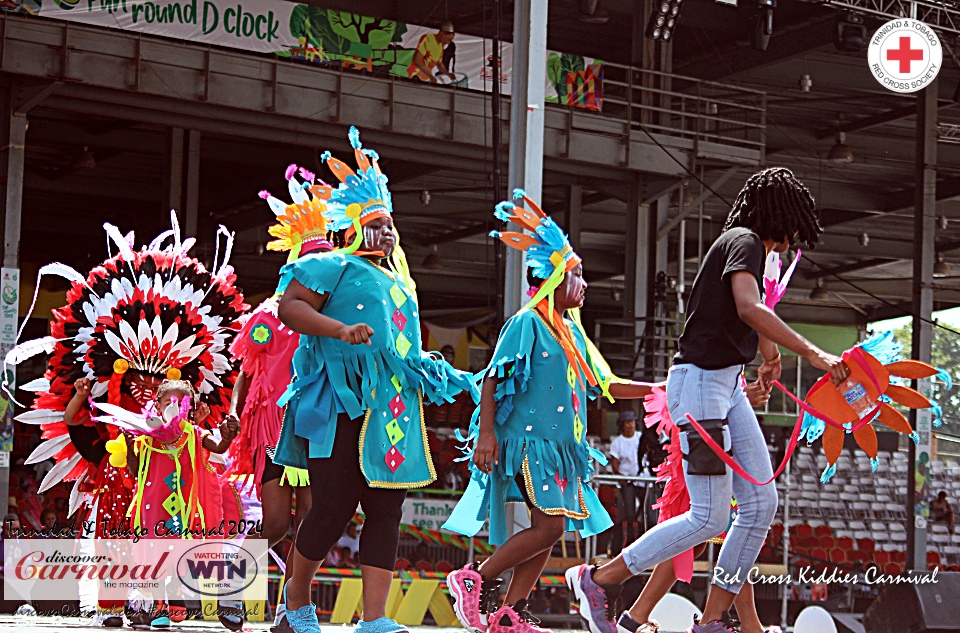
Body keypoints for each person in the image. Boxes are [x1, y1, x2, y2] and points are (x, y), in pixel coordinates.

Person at [567, 167, 850, 633]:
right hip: (700, 385)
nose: (787, 244)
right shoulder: (746, 241)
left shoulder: (745, 246)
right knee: (709, 516)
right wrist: (814, 354)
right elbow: (747, 306)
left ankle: (713, 621)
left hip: (724, 385)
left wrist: (771, 356)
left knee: (760, 504)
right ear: (777, 217)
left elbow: (749, 312)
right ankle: (600, 579)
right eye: (790, 232)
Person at [272, 126, 477, 633]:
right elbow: (290, 308)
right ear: (353, 228)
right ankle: (295, 601)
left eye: (391, 225)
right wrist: (341, 329)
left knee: (387, 512)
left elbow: (406, 353)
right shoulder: (330, 265)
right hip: (341, 405)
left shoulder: (401, 285)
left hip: (394, 413)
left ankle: (375, 618)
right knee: (331, 511)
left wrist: (452, 377)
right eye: (377, 224)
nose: (386, 234)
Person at [8, 214, 246, 628]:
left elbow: (213, 447)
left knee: (167, 548)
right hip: (122, 493)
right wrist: (84, 396)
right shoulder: (112, 429)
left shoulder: (188, 431)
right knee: (118, 542)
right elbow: (75, 426)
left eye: (164, 387)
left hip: (170, 500)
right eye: (139, 381)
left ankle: (172, 607)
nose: (150, 393)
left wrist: (220, 432)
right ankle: (118, 607)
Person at [443, 192, 655, 633]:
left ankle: (508, 612)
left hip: (559, 448)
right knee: (549, 527)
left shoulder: (573, 333)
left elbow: (608, 384)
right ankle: (474, 579)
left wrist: (664, 388)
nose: (584, 284)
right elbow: (492, 380)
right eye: (578, 275)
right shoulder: (527, 323)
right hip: (528, 443)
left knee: (551, 529)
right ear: (557, 276)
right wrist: (486, 435)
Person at [227, 164, 332, 633]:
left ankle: (290, 609)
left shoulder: (336, 314)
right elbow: (246, 375)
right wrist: (232, 417)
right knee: (274, 525)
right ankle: (228, 583)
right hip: (275, 434)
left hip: (317, 430)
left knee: (311, 521)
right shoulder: (269, 314)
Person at [610, 411, 643, 555]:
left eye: (632, 422)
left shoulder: (640, 437)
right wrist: (620, 477)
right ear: (622, 425)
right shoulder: (617, 442)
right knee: (629, 513)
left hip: (642, 479)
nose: (630, 425)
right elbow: (614, 464)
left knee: (645, 511)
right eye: (627, 422)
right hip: (626, 482)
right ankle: (627, 540)